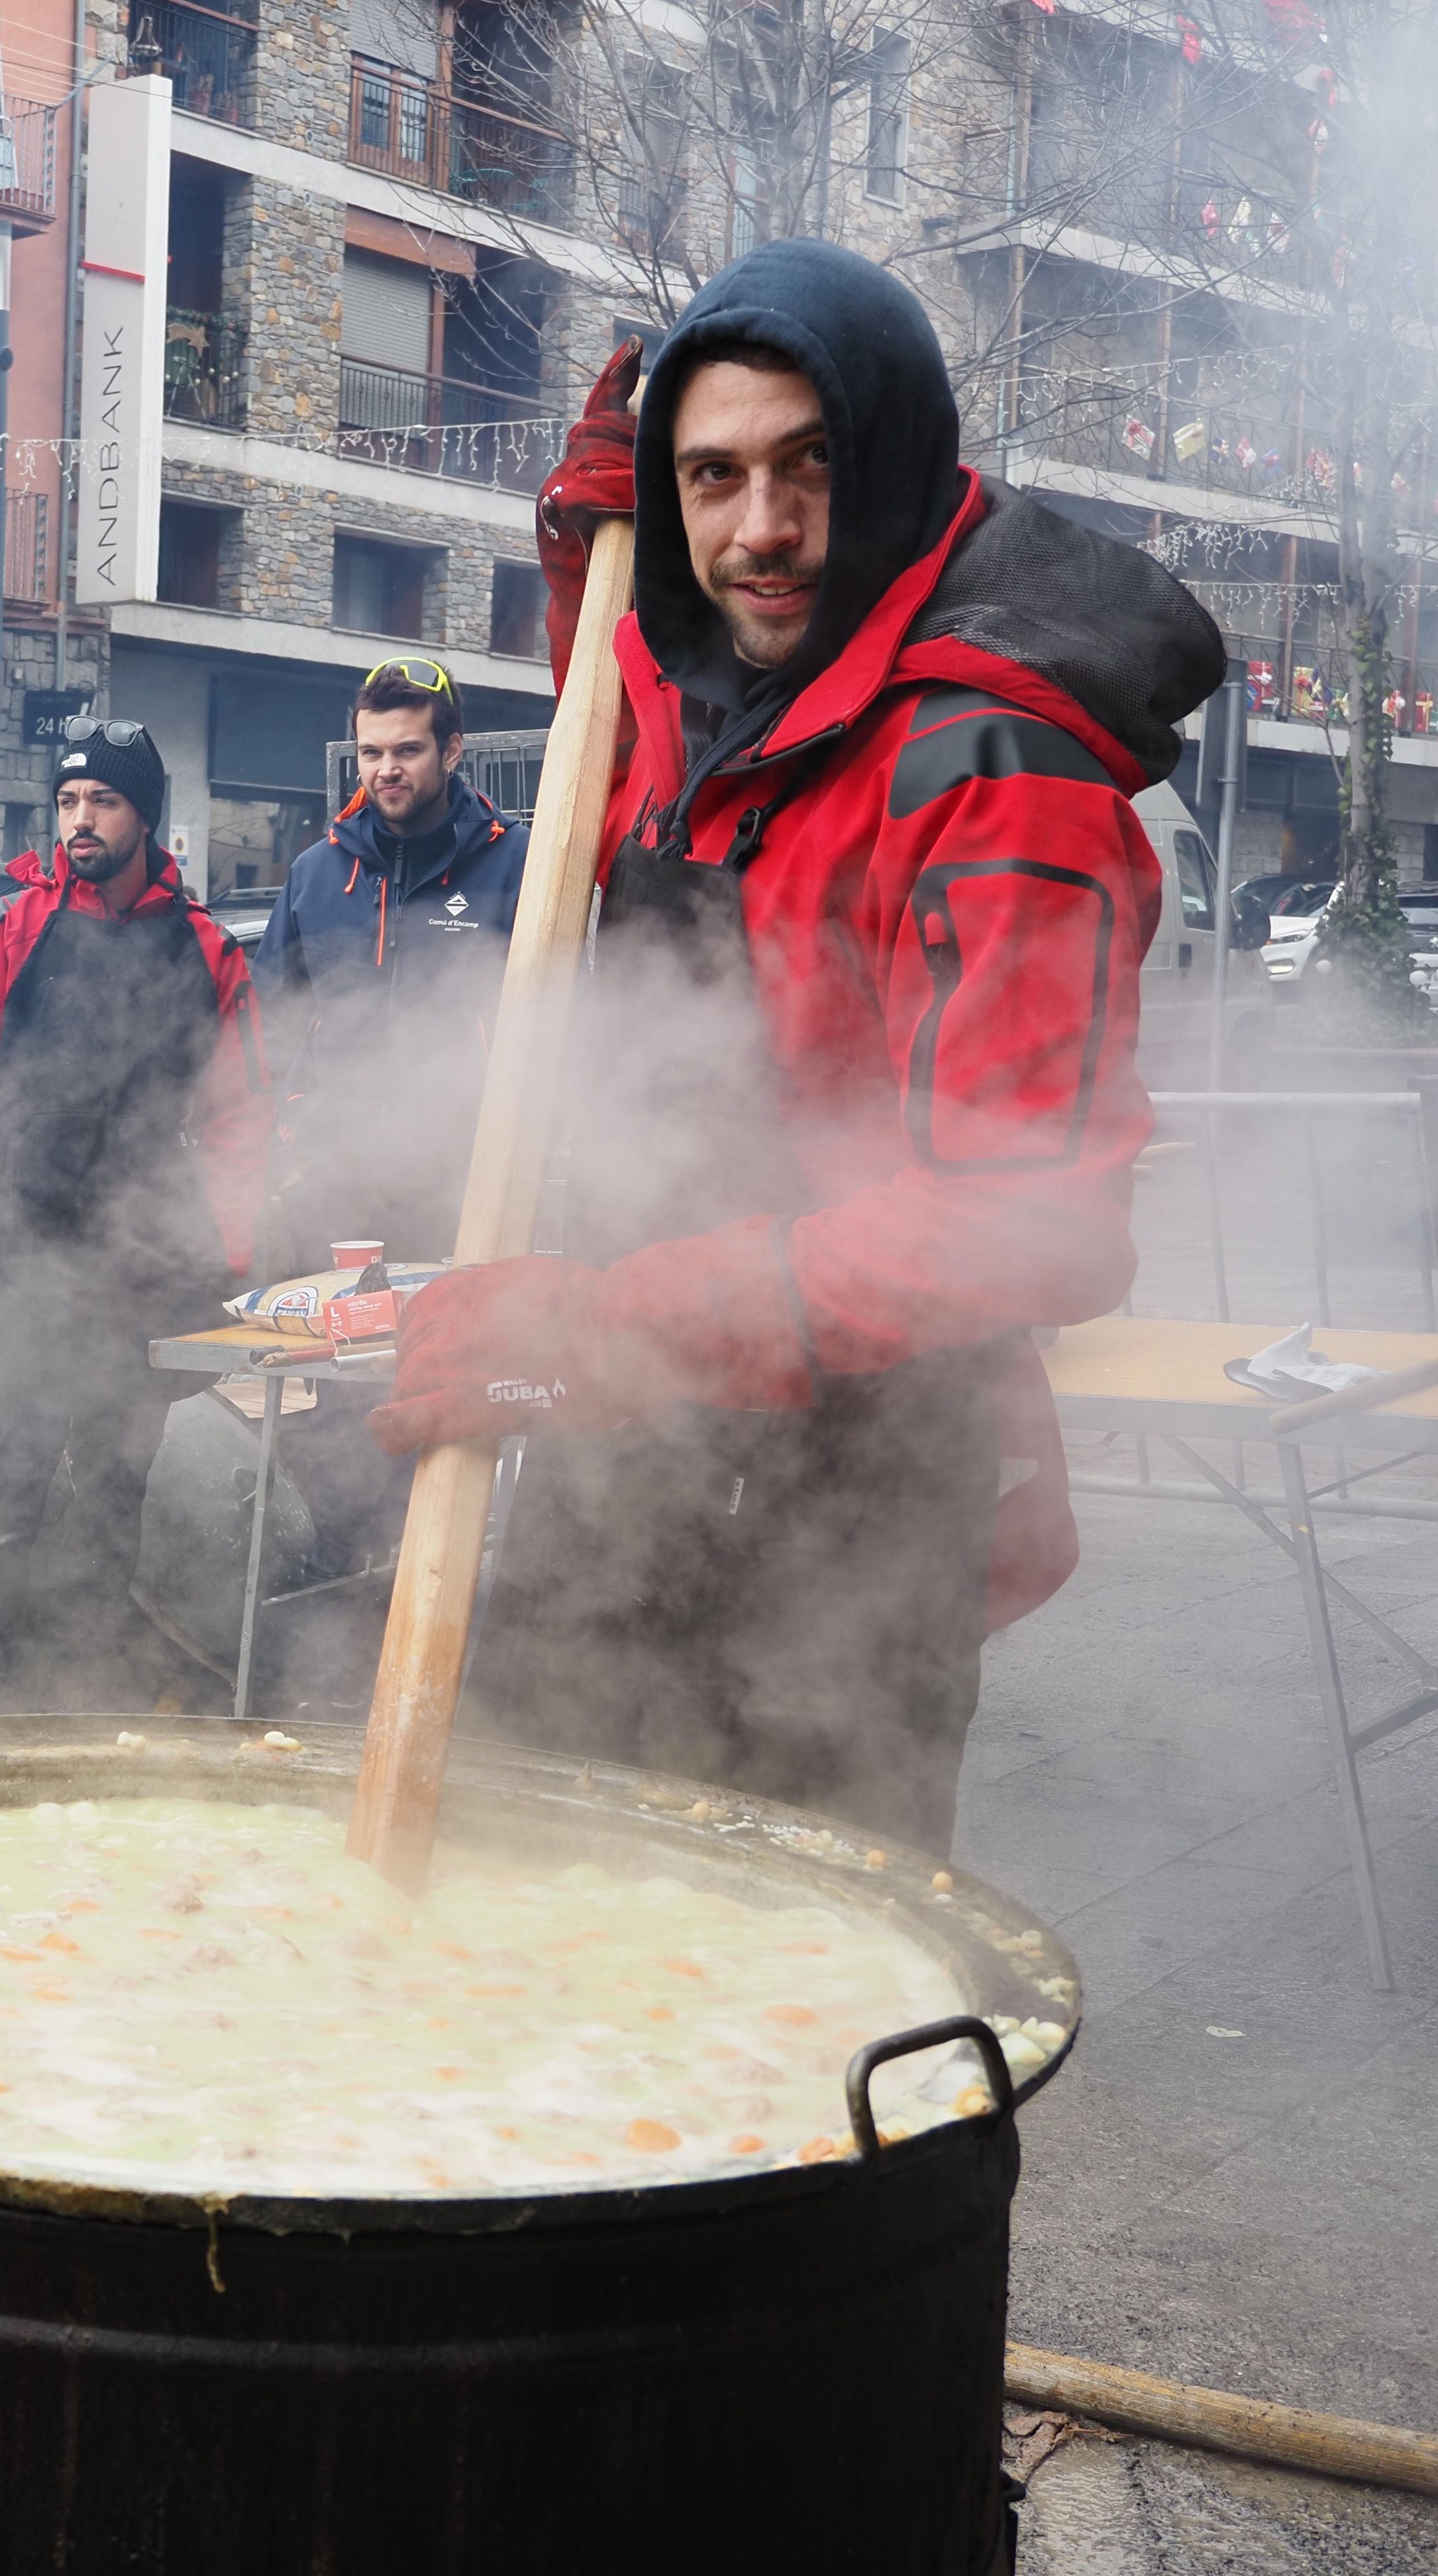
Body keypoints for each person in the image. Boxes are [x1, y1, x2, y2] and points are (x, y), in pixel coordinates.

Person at [370, 242, 1223, 1849]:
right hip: (630, 1452)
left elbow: (1023, 1216)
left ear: (892, 464)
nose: (757, 530)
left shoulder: (997, 770)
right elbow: (612, 769)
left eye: (805, 467)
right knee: (528, 1933)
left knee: (806, 2018)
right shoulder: (725, 692)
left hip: (852, 1498)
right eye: (710, 477)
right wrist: (584, 546)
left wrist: (611, 1320)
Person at [0, 718, 266, 1698]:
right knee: (1, 1498)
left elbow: (240, 1113)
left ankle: (89, 1703)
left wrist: (234, 1252)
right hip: (20, 1253)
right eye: (68, 801)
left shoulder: (205, 949)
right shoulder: (6, 930)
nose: (80, 819)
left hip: (141, 1264)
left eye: (103, 801)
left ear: (143, 816)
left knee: (116, 1496)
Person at [255, 653, 525, 1269]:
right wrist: (294, 1126)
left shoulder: (516, 861)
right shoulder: (315, 872)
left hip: (463, 1184)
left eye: (407, 751)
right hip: (332, 1181)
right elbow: (269, 1019)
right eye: (371, 754)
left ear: (452, 749)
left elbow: (555, 1017)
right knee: (338, 1359)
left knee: (449, 1362)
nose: (386, 771)